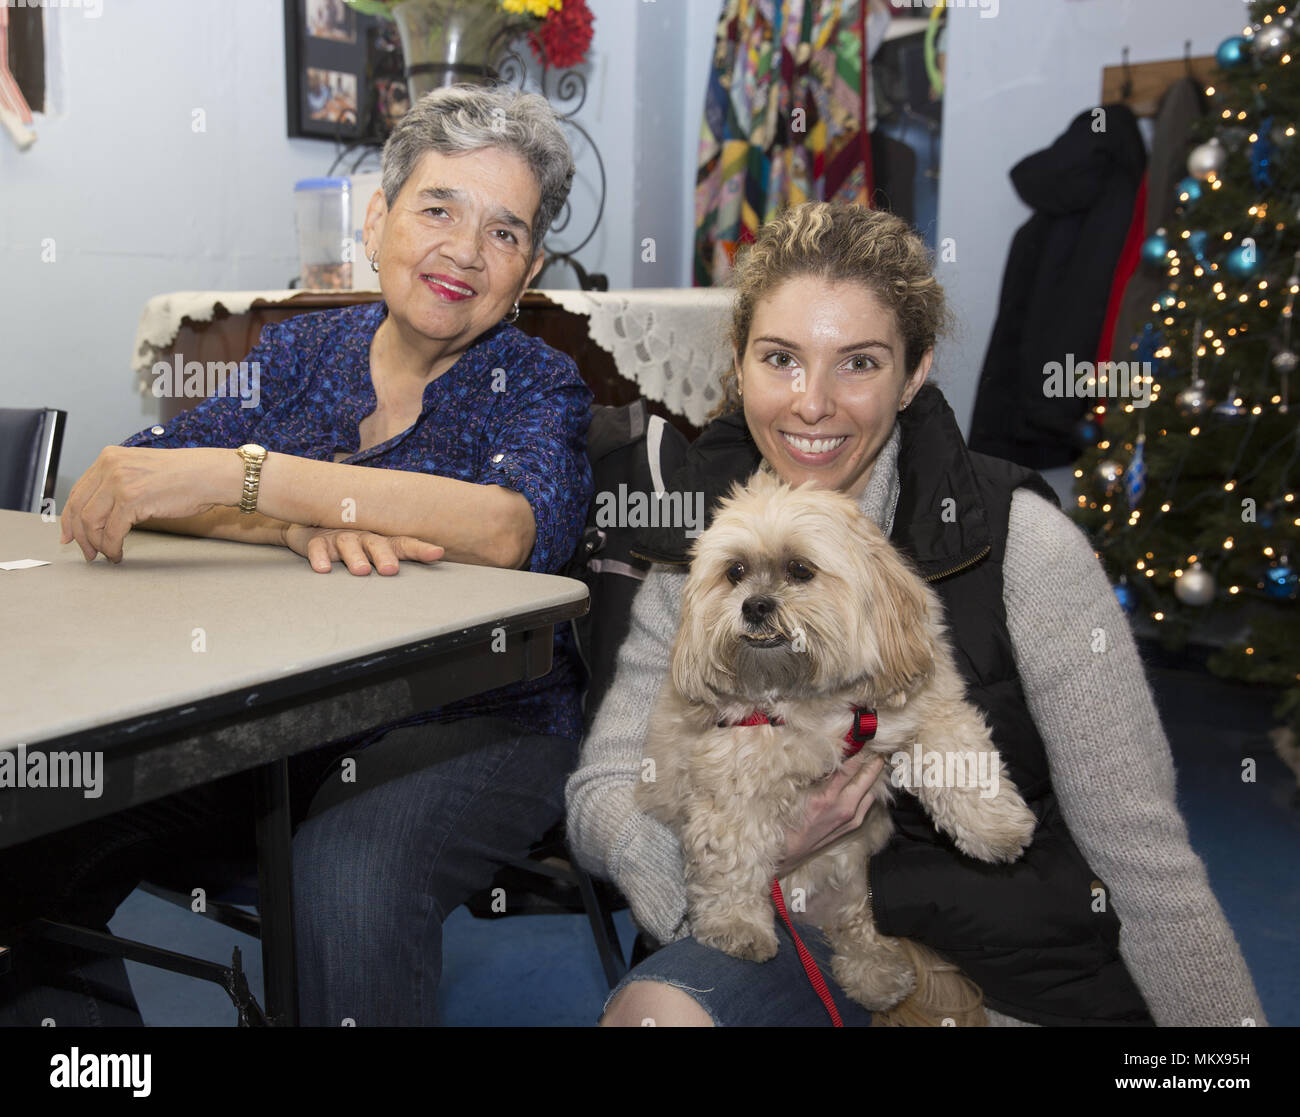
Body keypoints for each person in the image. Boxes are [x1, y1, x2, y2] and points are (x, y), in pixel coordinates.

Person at [564, 201, 1267, 1027]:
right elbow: (603, 790)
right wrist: (733, 858)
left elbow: (1144, 856)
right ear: (740, 363)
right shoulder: (696, 544)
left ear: (914, 373)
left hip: (1010, 963)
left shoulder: (1021, 542)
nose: (812, 403)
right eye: (781, 358)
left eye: (858, 363)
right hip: (786, 926)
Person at [1, 84, 592, 1027]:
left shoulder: (537, 381)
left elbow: (507, 528)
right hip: (276, 709)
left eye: (505, 232)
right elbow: (140, 483)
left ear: (529, 269)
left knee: (347, 877)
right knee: (36, 819)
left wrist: (253, 476)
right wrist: (280, 525)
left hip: (479, 715)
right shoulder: (303, 351)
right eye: (439, 209)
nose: (465, 251)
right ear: (377, 219)